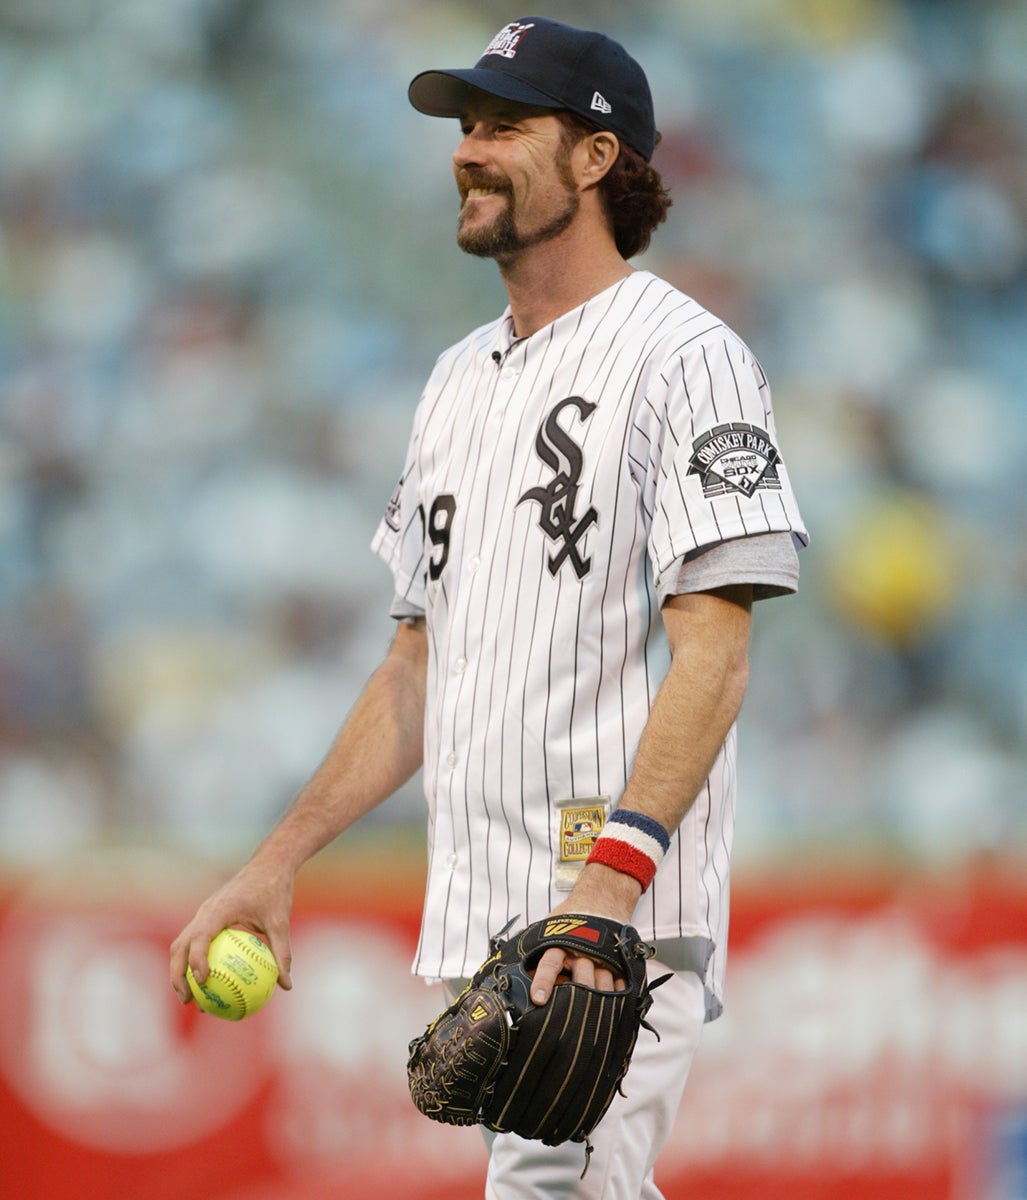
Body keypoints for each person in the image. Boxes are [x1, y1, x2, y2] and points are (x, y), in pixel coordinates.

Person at [170, 16, 808, 1199]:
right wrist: (279, 857)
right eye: (464, 127)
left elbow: (714, 656)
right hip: (497, 906)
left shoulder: (685, 356)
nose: (467, 150)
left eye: (505, 125)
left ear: (596, 159)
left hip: (608, 906)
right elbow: (416, 669)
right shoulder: (456, 379)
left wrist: (606, 892)